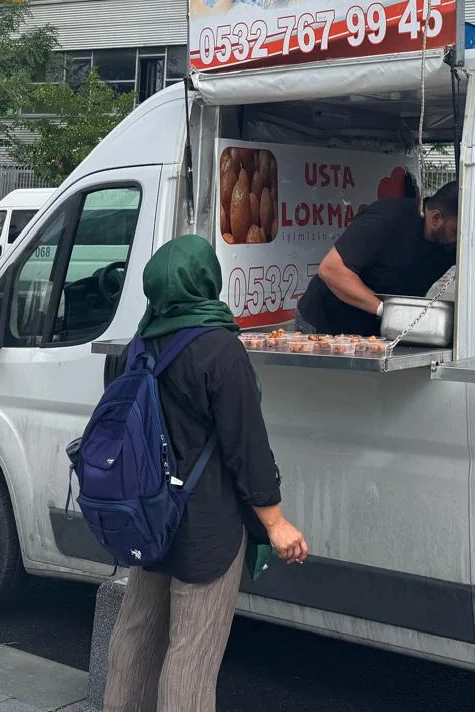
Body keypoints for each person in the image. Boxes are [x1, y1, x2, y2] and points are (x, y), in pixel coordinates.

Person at [103, 235, 307, 712]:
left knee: (137, 632)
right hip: (207, 527)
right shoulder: (219, 349)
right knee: (192, 652)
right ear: (206, 282)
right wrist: (276, 524)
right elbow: (247, 448)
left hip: (149, 514)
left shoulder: (139, 343)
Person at [298, 181, 475, 334]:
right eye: (455, 231)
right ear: (435, 217)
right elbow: (332, 270)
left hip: (370, 332)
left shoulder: (450, 244)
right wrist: (386, 311)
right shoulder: (390, 219)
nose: (459, 241)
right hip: (320, 325)